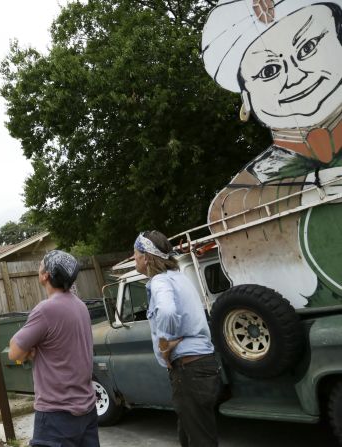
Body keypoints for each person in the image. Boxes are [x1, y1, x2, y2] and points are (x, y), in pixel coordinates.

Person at [202, 0, 342, 308]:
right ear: (246, 99)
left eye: (307, 49)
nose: (296, 75)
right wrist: (314, 184)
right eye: (269, 70)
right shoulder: (250, 186)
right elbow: (225, 208)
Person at [134, 230, 220, 447]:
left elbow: (168, 312)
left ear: (145, 257)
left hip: (188, 369)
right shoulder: (179, 278)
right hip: (202, 364)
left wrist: (165, 344)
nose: (134, 259)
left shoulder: (160, 281)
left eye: (135, 254)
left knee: (200, 439)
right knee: (192, 434)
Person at [8, 250, 98, 447]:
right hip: (87, 409)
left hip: (56, 416)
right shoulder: (81, 306)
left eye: (41, 265)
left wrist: (30, 350)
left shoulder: (46, 310)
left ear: (45, 275)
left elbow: (14, 351)